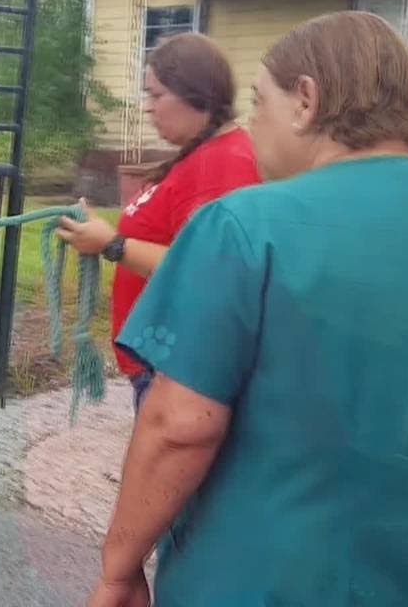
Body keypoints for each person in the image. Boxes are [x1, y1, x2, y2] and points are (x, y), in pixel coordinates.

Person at [86, 10, 408, 607]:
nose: (251, 127)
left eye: (258, 103)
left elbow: (180, 426)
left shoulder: (245, 224)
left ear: (306, 100)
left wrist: (119, 568)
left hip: (259, 577)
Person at [57, 32, 260, 412]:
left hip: (176, 369)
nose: (148, 108)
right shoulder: (201, 155)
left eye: (156, 95)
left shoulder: (223, 164)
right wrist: (101, 232)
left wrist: (112, 245)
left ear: (196, 93)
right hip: (160, 361)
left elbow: (209, 271)